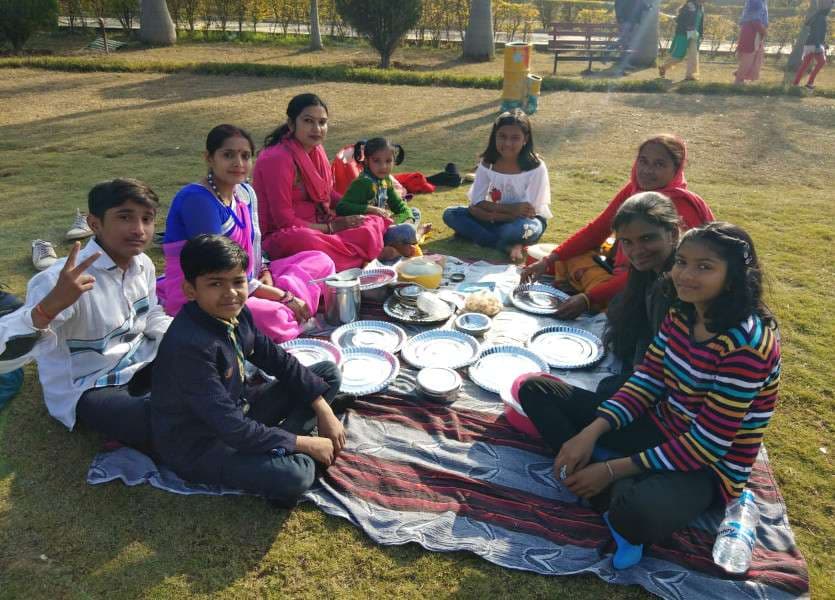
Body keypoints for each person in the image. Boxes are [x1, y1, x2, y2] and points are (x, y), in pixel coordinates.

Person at [519, 222, 780, 570]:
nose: (685, 275)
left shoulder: (747, 346)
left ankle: (612, 483)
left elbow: (709, 444)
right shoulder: (682, 311)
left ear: (733, 278)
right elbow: (648, 380)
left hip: (708, 465)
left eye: (705, 267)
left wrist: (611, 470)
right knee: (536, 389)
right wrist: (589, 432)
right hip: (662, 422)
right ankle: (604, 469)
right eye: (682, 262)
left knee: (636, 516)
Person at [151, 234, 345, 507]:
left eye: (238, 282)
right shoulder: (191, 346)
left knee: (326, 373)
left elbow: (278, 360)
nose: (230, 293)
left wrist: (323, 409)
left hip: (240, 411)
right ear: (191, 290)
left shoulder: (237, 315)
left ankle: (285, 442)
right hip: (203, 444)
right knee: (295, 476)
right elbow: (232, 429)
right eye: (215, 283)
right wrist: (304, 443)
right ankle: (288, 448)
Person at [0, 179, 171, 448]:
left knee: (212, 365)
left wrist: (182, 337)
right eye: (125, 217)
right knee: (165, 420)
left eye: (147, 219)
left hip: (142, 361)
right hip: (90, 386)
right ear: (94, 223)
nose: (139, 229)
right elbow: (5, 359)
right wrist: (48, 308)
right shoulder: (57, 281)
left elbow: (150, 315)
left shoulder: (143, 264)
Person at [158, 124, 335, 343]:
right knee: (275, 316)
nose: (238, 164)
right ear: (209, 158)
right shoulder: (197, 200)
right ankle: (293, 306)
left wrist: (264, 270)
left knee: (321, 260)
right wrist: (284, 297)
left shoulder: (245, 193)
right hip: (213, 292)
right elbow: (219, 269)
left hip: (247, 280)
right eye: (228, 155)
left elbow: (255, 246)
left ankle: (289, 305)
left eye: (245, 156)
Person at [520, 134, 714, 319]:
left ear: (676, 169)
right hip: (623, 271)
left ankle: (599, 300)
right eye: (643, 161)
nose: (647, 170)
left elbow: (647, 272)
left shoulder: (679, 208)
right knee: (566, 257)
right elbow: (597, 230)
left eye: (659, 164)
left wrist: (589, 298)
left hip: (656, 287)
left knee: (621, 307)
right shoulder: (633, 190)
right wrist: (548, 261)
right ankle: (594, 294)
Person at [253, 93, 391, 272]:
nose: (317, 129)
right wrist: (330, 227)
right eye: (308, 121)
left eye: (322, 122)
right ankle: (369, 252)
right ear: (291, 124)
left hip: (322, 223)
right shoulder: (277, 158)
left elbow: (329, 194)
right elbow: (283, 220)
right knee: (304, 240)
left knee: (370, 221)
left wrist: (362, 209)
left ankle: (357, 254)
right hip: (283, 235)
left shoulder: (316, 150)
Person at [442, 109, 552, 263]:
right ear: (494, 136)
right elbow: (477, 201)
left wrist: (488, 215)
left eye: (515, 138)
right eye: (502, 136)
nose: (507, 143)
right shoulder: (487, 163)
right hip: (492, 215)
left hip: (527, 221)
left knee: (511, 230)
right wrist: (495, 214)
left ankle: (486, 236)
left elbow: (527, 211)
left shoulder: (535, 167)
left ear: (525, 139)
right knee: (450, 214)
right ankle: (508, 246)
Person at [336, 137, 432, 260]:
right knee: (407, 231)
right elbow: (341, 208)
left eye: (388, 161)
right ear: (366, 161)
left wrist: (407, 218)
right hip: (370, 232)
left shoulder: (385, 180)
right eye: (377, 161)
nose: (383, 166)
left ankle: (405, 238)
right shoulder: (362, 183)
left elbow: (399, 205)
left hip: (385, 226)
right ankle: (415, 235)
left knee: (414, 212)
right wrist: (371, 209)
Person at [659, 0, 705, 81]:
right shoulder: (689, 5)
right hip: (683, 34)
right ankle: (663, 67)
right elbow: (679, 19)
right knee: (678, 56)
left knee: (693, 55)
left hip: (694, 34)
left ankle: (690, 76)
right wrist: (688, 27)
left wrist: (701, 34)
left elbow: (700, 23)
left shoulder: (701, 7)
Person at [793, 0, 833, 90]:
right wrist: (818, 46)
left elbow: (818, 32)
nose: (831, 7)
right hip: (814, 44)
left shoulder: (819, 15)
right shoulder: (821, 17)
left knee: (805, 64)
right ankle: (809, 83)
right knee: (821, 62)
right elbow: (817, 33)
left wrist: (823, 43)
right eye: (831, 3)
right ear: (825, 6)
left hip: (810, 43)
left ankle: (796, 83)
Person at [734, 0, 769, 84]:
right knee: (749, 56)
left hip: (754, 30)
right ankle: (738, 80)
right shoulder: (757, 1)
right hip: (752, 31)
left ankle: (741, 77)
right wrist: (763, 31)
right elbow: (754, 19)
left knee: (755, 57)